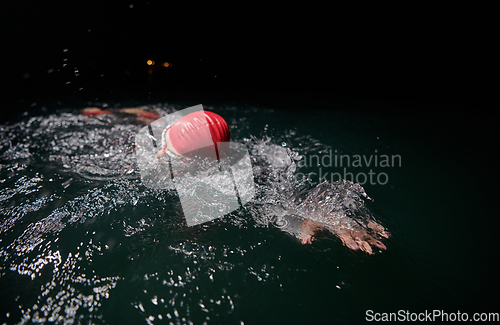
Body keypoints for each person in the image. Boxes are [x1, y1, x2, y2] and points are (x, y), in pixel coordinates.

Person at [82, 106, 389, 254]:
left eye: (168, 149)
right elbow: (290, 198)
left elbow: (283, 204)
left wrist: (332, 221)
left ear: (192, 161)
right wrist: (112, 112)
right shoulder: (246, 162)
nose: (161, 152)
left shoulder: (223, 183)